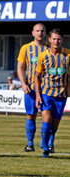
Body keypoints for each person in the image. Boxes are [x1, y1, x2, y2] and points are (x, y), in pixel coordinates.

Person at [35, 28, 70, 157]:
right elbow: (37, 76)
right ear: (49, 40)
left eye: (59, 39)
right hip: (46, 93)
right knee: (47, 119)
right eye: (54, 39)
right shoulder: (43, 56)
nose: (56, 41)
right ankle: (45, 148)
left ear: (62, 40)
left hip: (62, 94)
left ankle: (50, 140)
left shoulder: (68, 55)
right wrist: (38, 95)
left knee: (55, 123)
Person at [17, 23, 49, 152]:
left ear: (45, 33)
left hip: (47, 89)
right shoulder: (25, 48)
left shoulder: (50, 49)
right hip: (31, 89)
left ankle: (47, 143)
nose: (40, 33)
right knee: (31, 115)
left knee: (48, 117)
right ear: (33, 33)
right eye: (38, 31)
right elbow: (20, 67)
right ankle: (30, 144)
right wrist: (23, 84)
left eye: (42, 31)